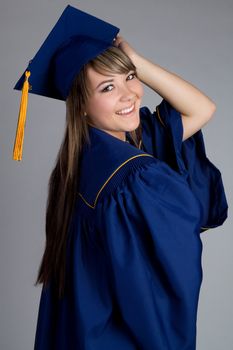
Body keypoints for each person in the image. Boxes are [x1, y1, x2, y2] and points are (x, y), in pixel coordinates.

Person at [13, 5, 228, 350]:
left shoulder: (84, 159)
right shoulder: (132, 177)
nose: (129, 95)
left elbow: (202, 109)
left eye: (130, 78)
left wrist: (135, 62)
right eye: (107, 88)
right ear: (81, 104)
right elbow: (152, 293)